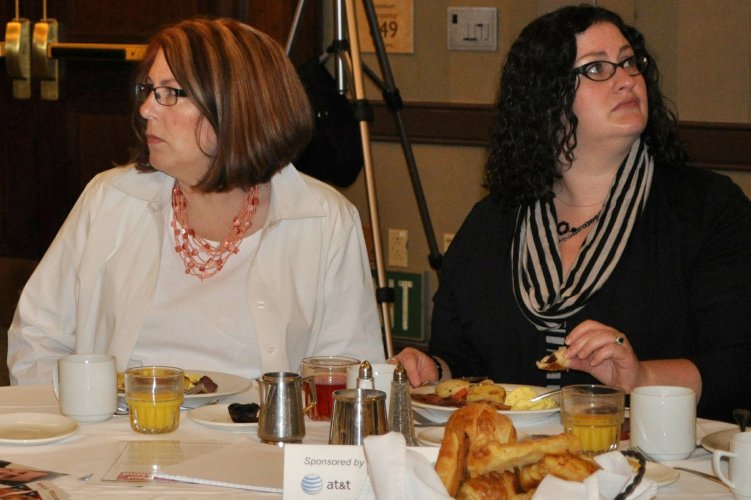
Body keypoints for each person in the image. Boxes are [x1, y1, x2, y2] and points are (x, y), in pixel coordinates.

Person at [395, 5, 751, 422]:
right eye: (597, 68)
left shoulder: (705, 208)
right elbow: (462, 357)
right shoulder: (492, 223)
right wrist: (433, 370)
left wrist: (640, 377)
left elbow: (739, 365)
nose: (626, 79)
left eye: (629, 62)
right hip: (515, 455)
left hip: (656, 455)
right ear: (546, 98)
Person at [8, 18, 385, 384]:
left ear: (237, 107)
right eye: (148, 89)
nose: (146, 109)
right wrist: (83, 413)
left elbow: (349, 377)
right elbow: (38, 339)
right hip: (120, 424)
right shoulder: (111, 199)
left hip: (261, 427)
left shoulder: (323, 220)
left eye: (170, 93)